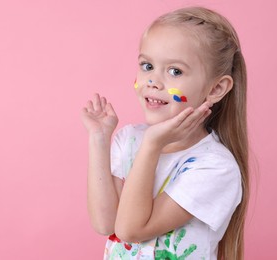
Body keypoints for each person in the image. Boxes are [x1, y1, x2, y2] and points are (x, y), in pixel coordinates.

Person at [81, 6, 249, 260]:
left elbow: (130, 230)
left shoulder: (215, 167)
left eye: (175, 71)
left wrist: (152, 145)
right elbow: (105, 224)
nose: (153, 82)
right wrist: (99, 139)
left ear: (216, 89)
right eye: (147, 66)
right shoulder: (128, 140)